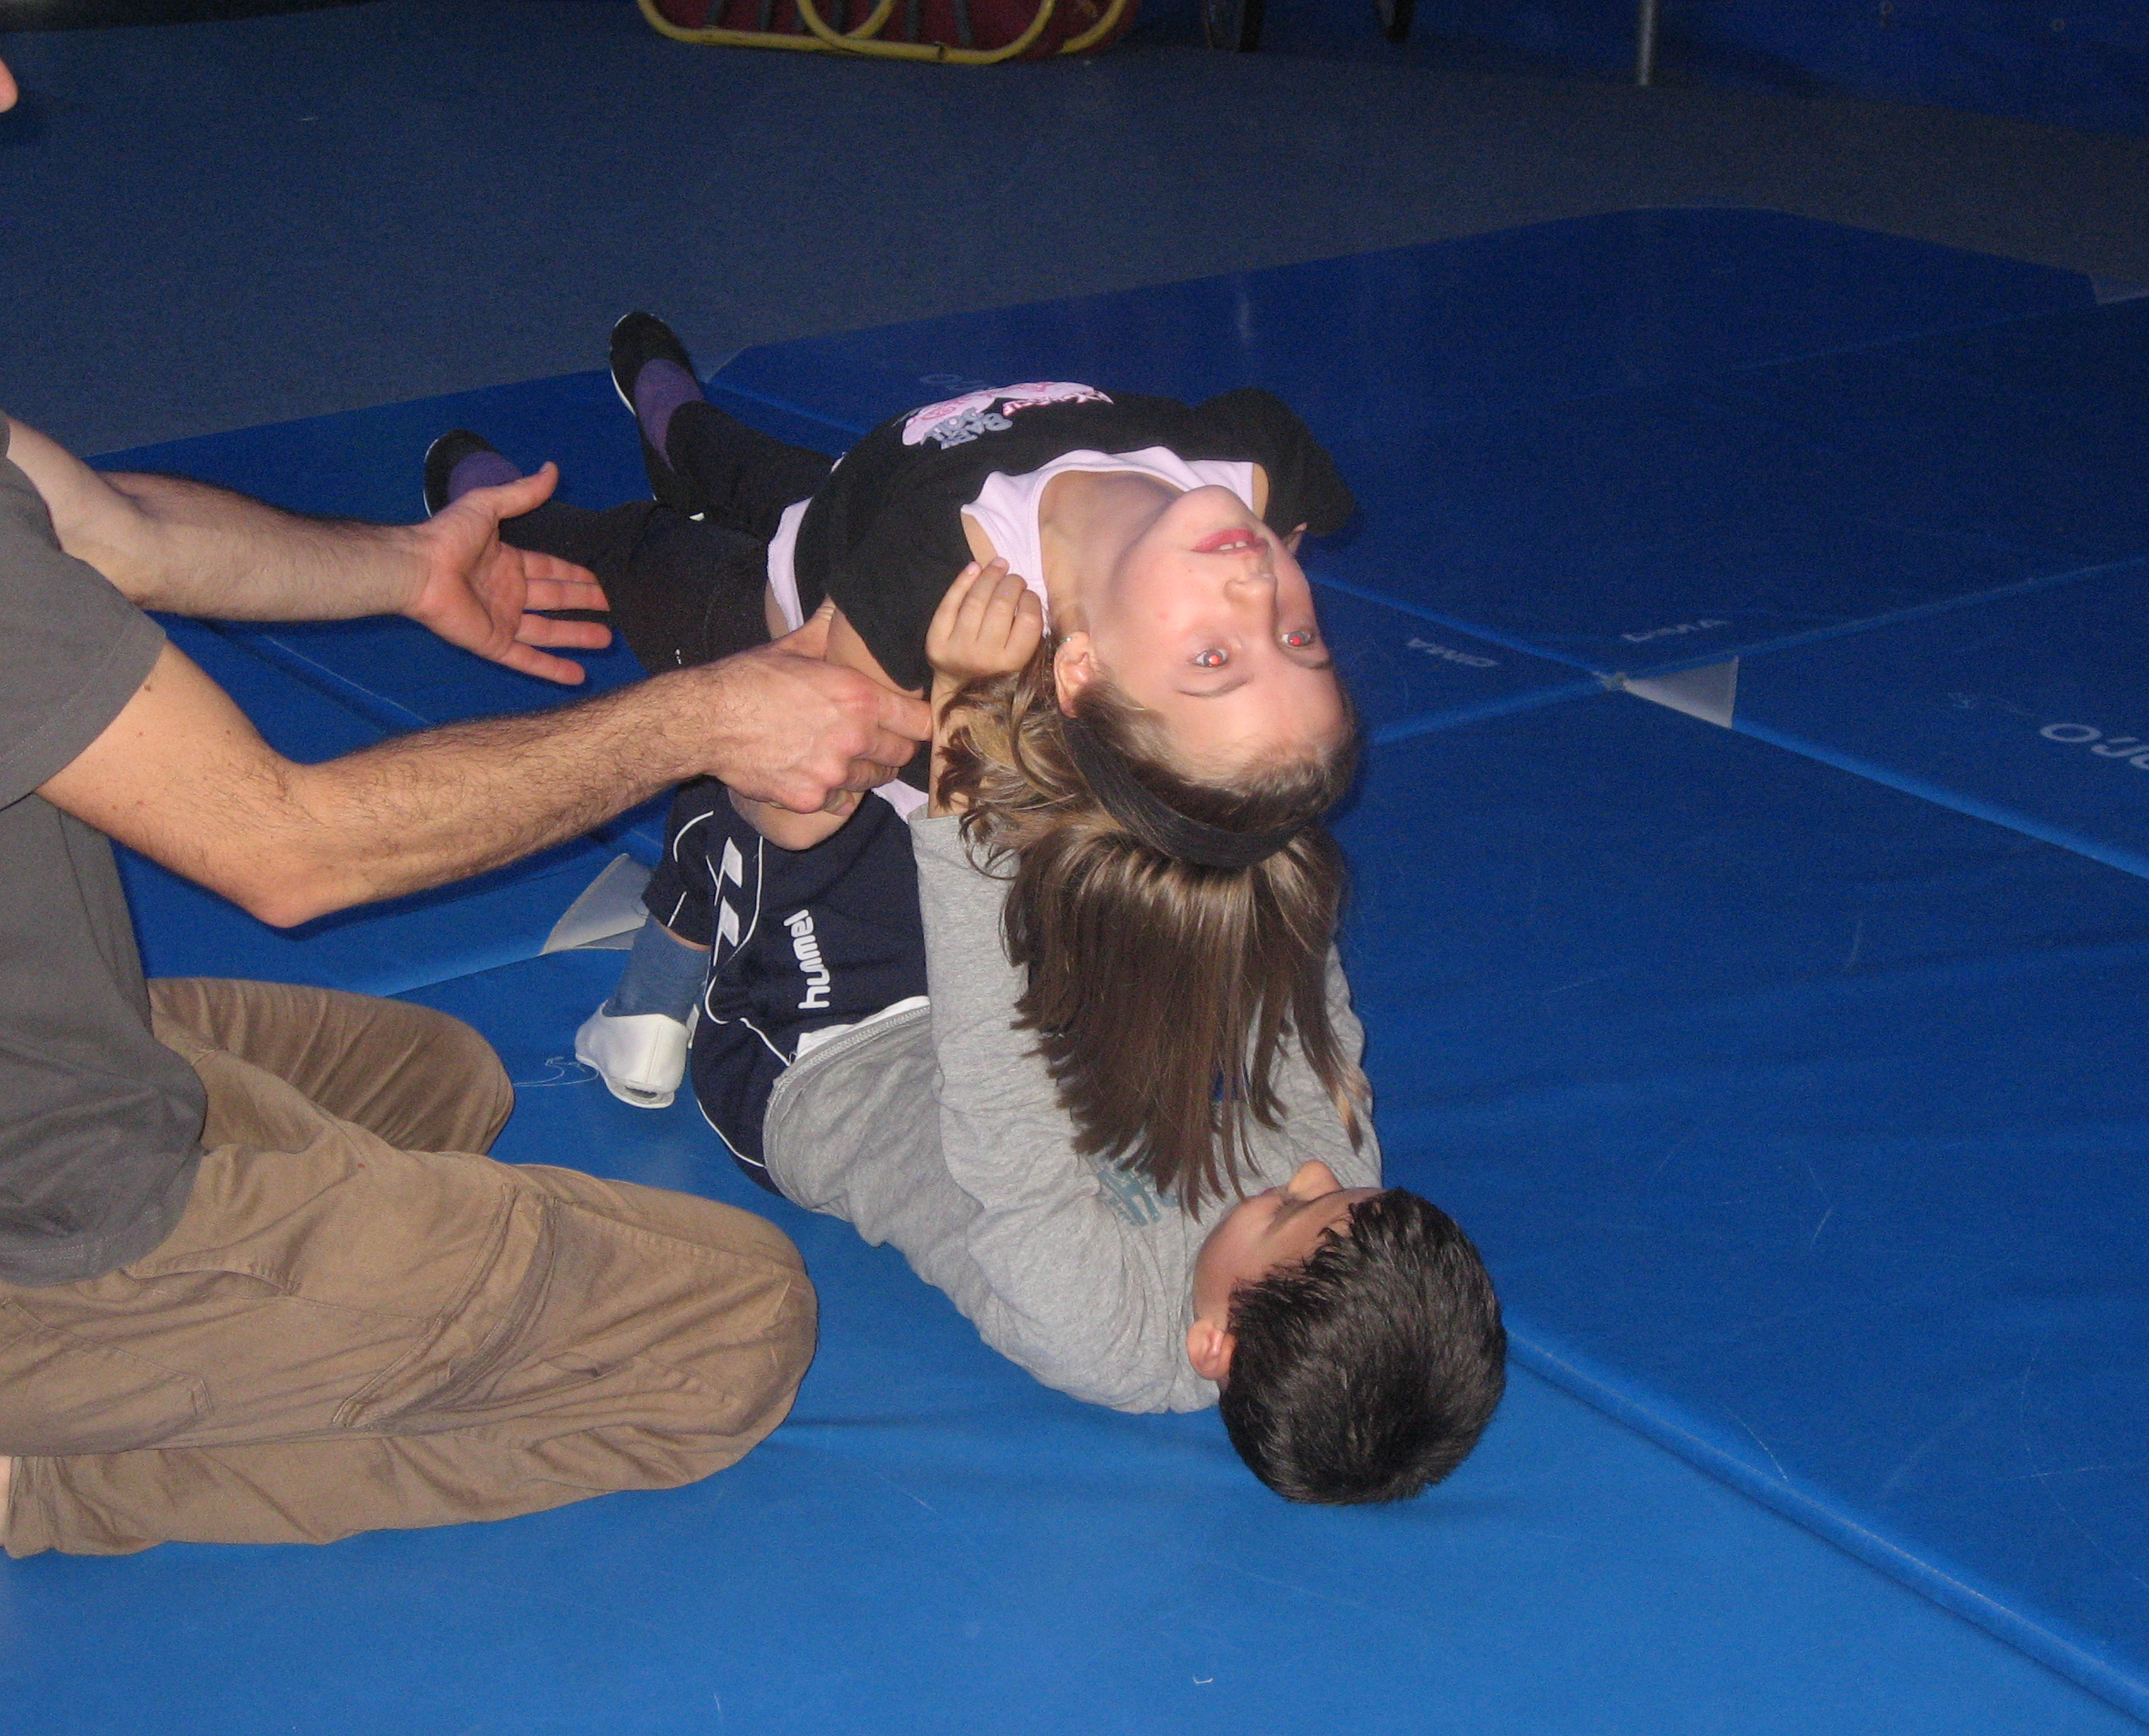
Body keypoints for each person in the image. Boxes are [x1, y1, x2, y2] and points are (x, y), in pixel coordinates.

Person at [0, 0, 929, 1567]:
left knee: (439, 1081)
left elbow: (112, 526)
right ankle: (16, 1467)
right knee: (733, 1323)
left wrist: (407, 567)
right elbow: (283, 847)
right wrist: (702, 715)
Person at [612, 562, 1506, 1501]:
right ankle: (751, 503)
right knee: (1060, 727)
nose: (1316, 1172)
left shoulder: (1100, 1327)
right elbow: (1290, 982)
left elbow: (997, 1082)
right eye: (1344, 1189)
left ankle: (661, 971)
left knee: (809, 754)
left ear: (1213, 1344)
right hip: (1041, 992)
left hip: (835, 1054)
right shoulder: (1338, 1213)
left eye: (1284, 1209)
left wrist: (964, 728)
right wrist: (1252, 766)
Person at [441, 316, 1366, 1214]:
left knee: (628, 555)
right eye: (1297, 639)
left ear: (1082, 667)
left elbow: (793, 812)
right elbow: (1281, 550)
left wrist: (748, 735)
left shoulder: (946, 575)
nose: (1257, 590)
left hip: (779, 605)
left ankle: (497, 518)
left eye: (1214, 658)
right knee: (726, 455)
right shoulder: (1262, 458)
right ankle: (676, 419)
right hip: (853, 489)